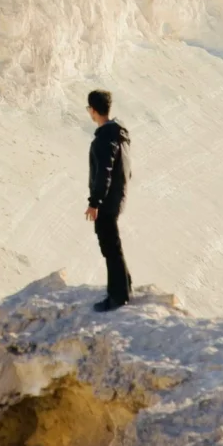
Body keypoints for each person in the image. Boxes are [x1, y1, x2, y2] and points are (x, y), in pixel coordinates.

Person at [85, 88, 132, 311]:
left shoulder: (105, 138)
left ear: (93, 111)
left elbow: (103, 172)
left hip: (107, 201)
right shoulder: (119, 133)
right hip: (117, 196)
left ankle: (118, 296)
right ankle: (124, 286)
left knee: (109, 247)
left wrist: (95, 202)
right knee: (113, 245)